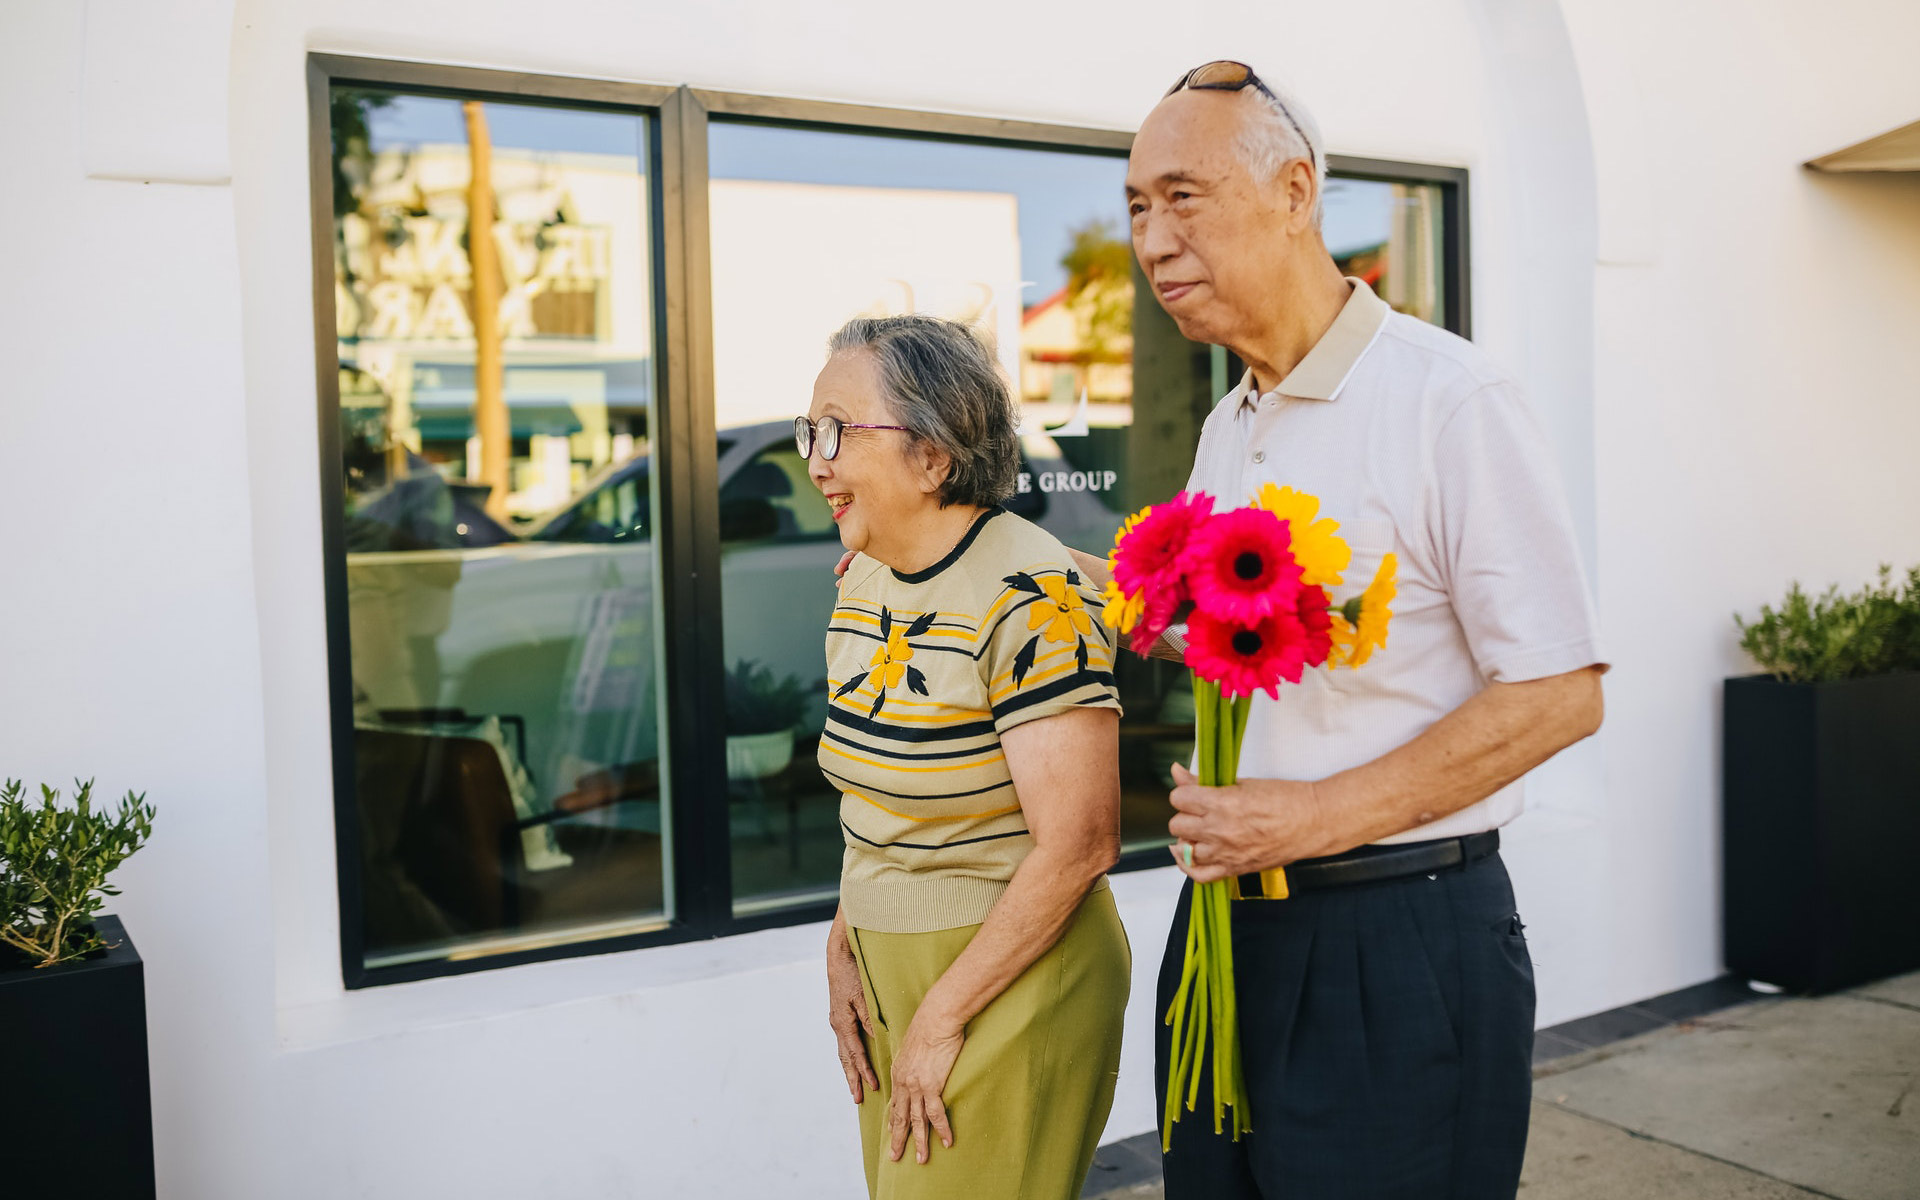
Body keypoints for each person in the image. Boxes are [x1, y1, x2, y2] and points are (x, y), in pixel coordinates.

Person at [1075, 61, 1608, 1199]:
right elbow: (1233, 635)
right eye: (1134, 208)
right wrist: (1050, 574)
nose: (1152, 241)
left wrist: (1311, 817)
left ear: (1295, 192)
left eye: (1182, 197)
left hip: (1397, 944)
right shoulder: (1233, 422)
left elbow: (1561, 691)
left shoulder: (1448, 400)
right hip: (1227, 935)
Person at [809, 314, 1132, 1200]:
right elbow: (875, 797)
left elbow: (1082, 845)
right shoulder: (865, 576)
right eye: (811, 432)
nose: (816, 462)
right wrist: (846, 938)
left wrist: (940, 1019)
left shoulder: (1032, 594)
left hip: (1008, 975)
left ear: (935, 455)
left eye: (839, 431)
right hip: (892, 965)